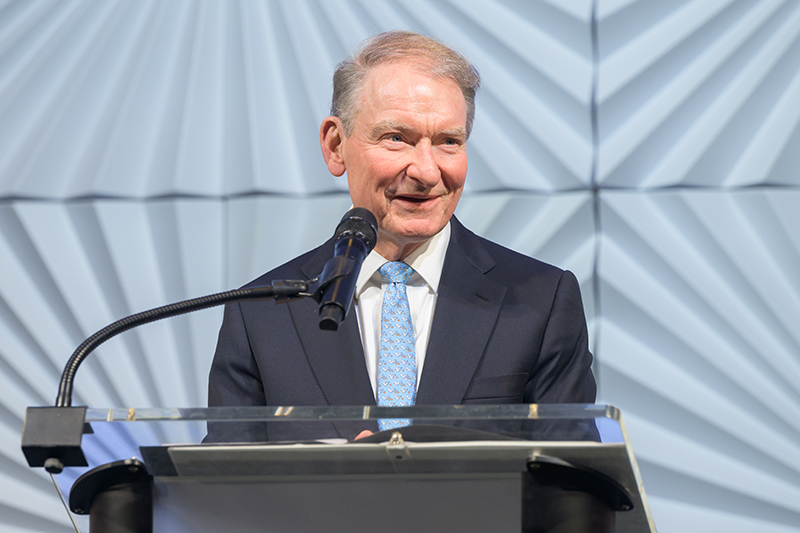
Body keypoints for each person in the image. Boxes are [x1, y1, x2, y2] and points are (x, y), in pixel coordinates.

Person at [205, 31, 595, 443]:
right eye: (397, 138)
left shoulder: (541, 301)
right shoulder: (262, 314)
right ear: (336, 146)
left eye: (449, 141)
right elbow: (223, 493)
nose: (427, 172)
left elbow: (573, 486)